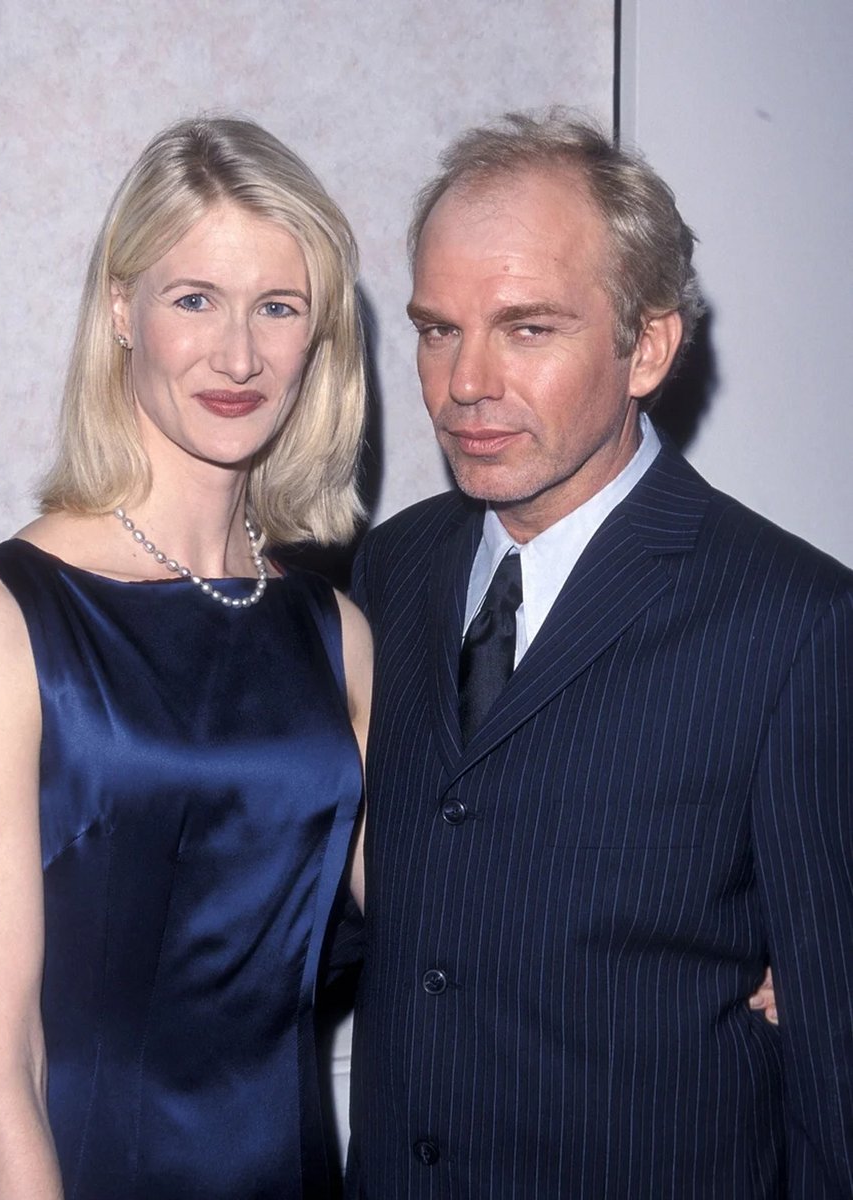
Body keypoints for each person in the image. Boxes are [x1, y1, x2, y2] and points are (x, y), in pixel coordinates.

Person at [347, 110, 852, 1198]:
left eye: (527, 328)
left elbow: (835, 1067)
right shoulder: (385, 572)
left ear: (649, 346)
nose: (465, 381)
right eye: (439, 329)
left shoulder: (795, 620)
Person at [0, 117, 371, 1199]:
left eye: (277, 308)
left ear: (318, 339)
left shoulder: (338, 635)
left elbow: (464, 923)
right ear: (119, 310)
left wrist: (723, 950)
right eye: (196, 300)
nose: (238, 356)